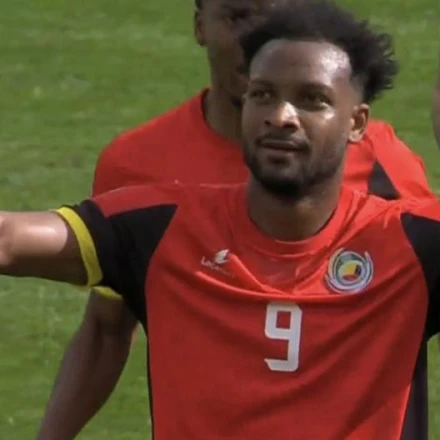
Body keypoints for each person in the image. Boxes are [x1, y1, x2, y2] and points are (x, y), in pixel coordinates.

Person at [4, 2, 440, 438]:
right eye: (263, 95)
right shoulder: (161, 225)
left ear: (357, 123)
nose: (281, 116)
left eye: (312, 100)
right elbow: (12, 241)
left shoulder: (411, 242)